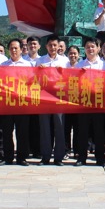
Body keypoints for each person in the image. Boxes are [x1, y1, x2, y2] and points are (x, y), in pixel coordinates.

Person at [73, 38, 105, 166]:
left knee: (99, 132)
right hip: (84, 104)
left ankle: (100, 158)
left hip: (99, 104)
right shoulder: (79, 65)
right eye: (88, 47)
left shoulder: (104, 65)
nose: (90, 49)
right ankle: (82, 157)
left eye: (93, 46)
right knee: (82, 132)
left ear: (98, 48)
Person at [0, 38, 33, 166]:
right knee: (7, 132)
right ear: (8, 50)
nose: (13, 50)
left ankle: (22, 157)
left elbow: (31, 83)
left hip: (22, 103)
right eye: (11, 48)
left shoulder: (27, 65)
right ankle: (7, 157)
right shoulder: (3, 65)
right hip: (7, 103)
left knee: (22, 131)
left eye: (16, 48)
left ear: (21, 49)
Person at [35, 35, 69, 165]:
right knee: (44, 127)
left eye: (55, 45)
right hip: (44, 96)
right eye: (50, 45)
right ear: (46, 46)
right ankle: (45, 156)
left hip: (59, 97)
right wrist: (40, 72)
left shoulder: (64, 61)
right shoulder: (40, 61)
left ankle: (59, 157)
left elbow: (69, 79)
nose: (53, 48)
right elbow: (35, 80)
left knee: (59, 127)